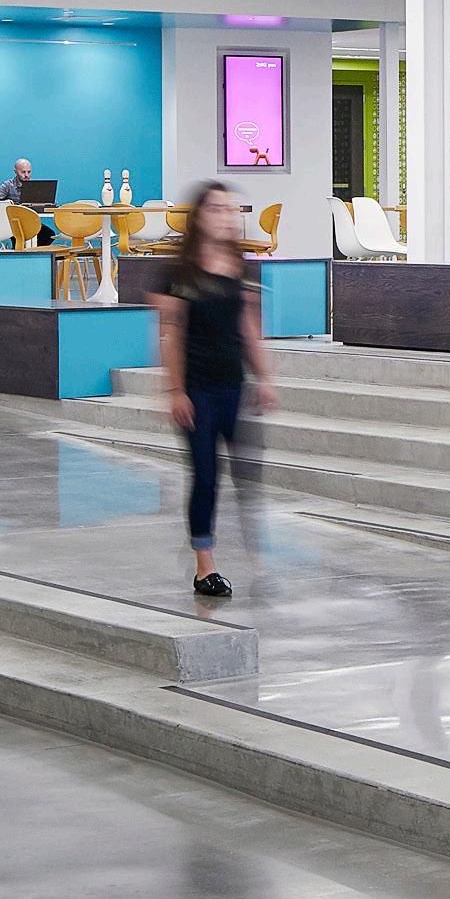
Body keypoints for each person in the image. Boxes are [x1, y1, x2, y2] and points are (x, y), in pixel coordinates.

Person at [156, 180, 276, 601]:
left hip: (233, 386)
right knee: (206, 475)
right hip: (197, 391)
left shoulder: (239, 267)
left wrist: (265, 377)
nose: (227, 217)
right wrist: (176, 390)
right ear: (200, 217)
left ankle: (256, 556)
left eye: (231, 210)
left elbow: (248, 328)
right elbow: (170, 334)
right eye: (217, 209)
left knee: (246, 476)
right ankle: (204, 567)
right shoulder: (180, 274)